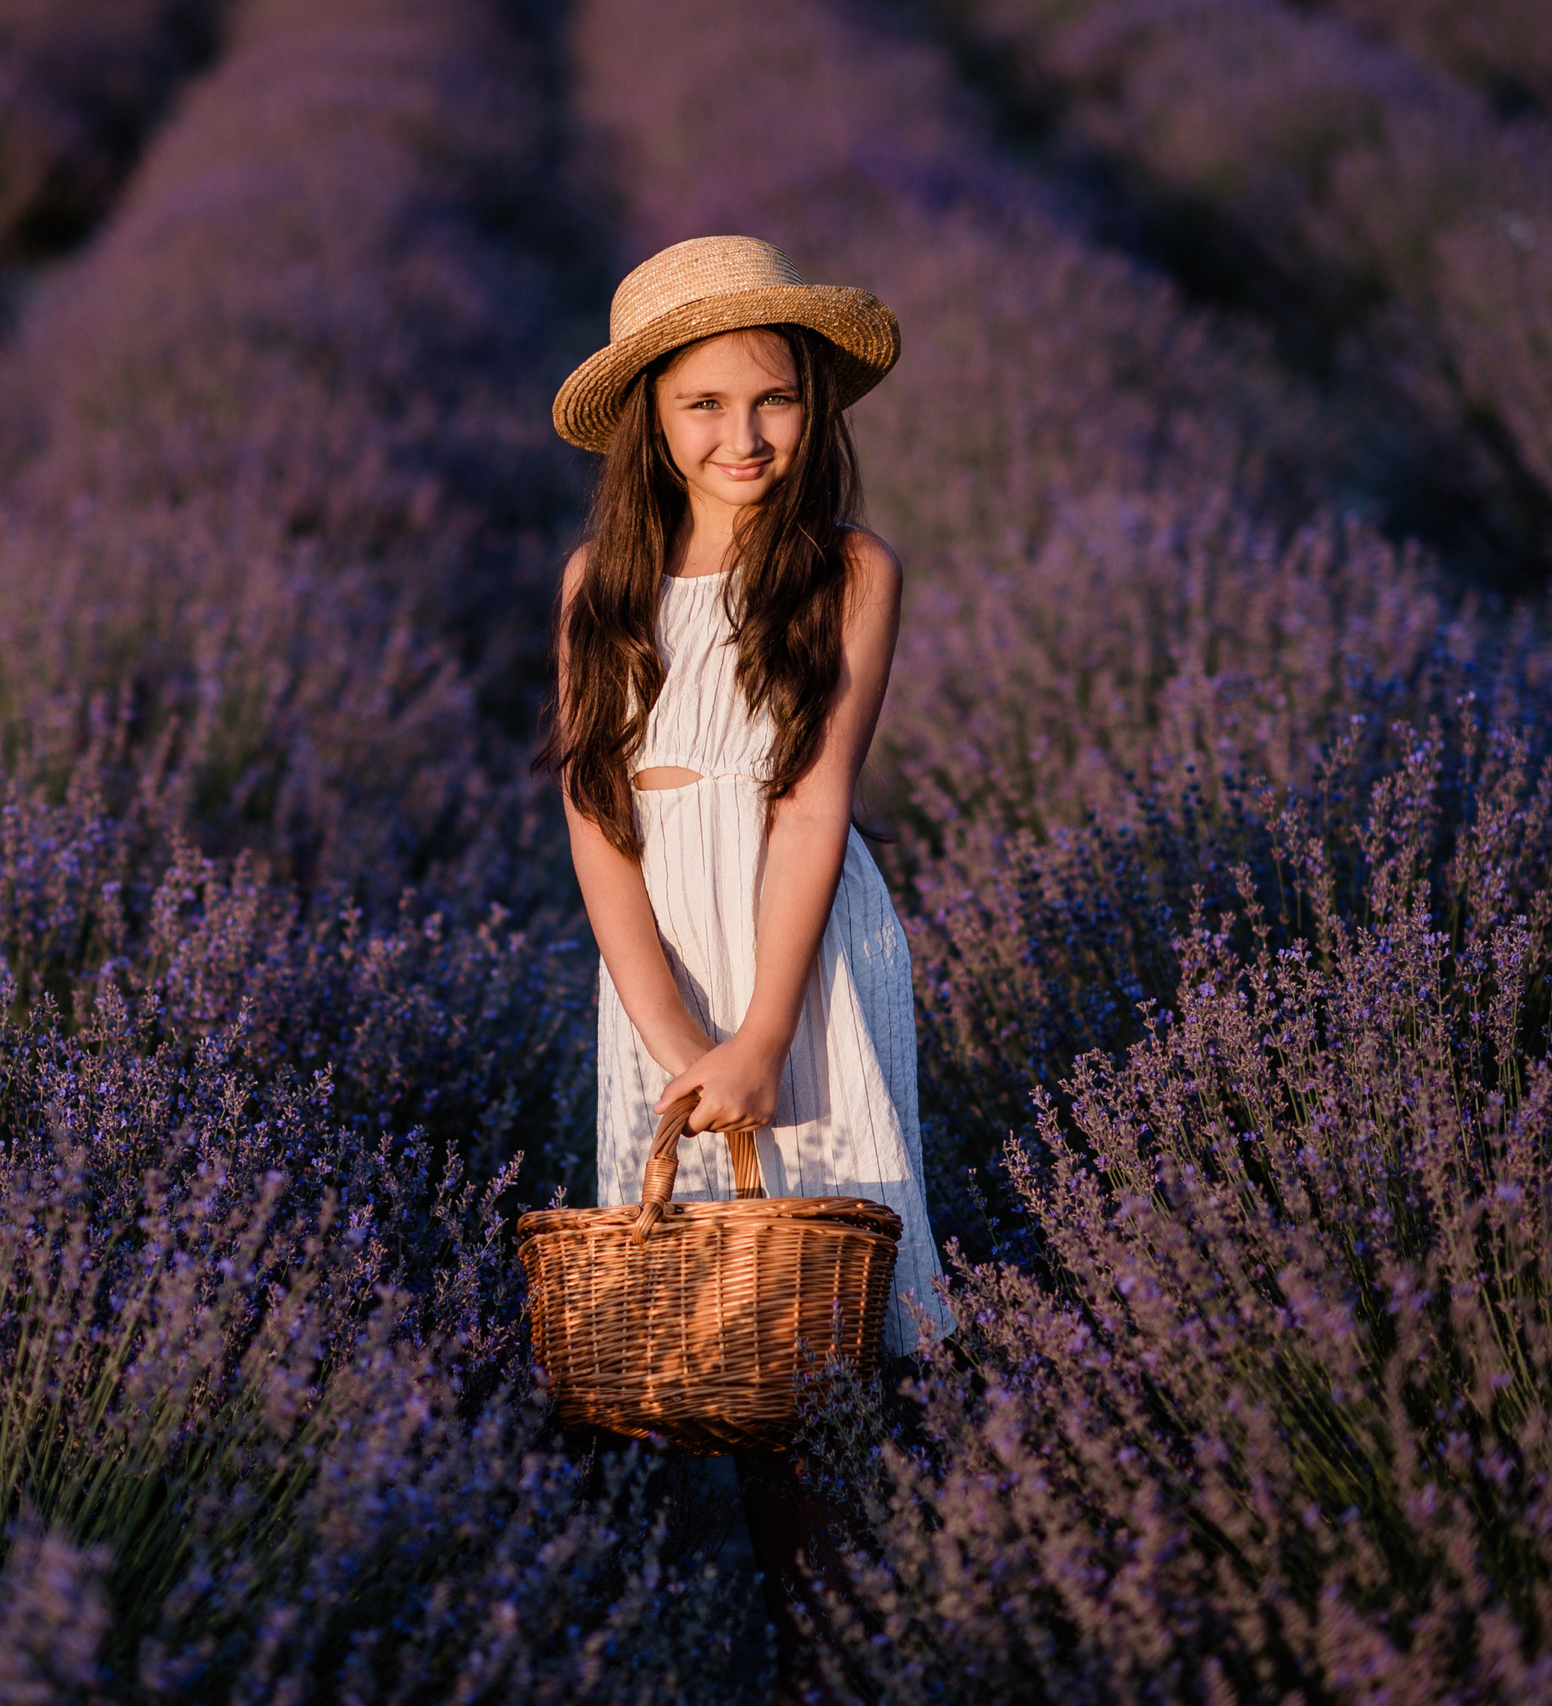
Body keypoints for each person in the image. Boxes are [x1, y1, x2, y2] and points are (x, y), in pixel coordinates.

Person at [540, 234, 955, 1700]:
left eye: (774, 400)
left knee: (820, 1318)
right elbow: (597, 812)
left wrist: (764, 1028)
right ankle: (744, 1633)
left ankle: (842, 1635)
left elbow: (813, 799)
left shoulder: (850, 571)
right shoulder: (603, 578)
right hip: (662, 963)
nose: (745, 437)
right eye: (706, 404)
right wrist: (672, 1031)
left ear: (816, 407)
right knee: (692, 1325)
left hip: (799, 957)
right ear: (651, 418)